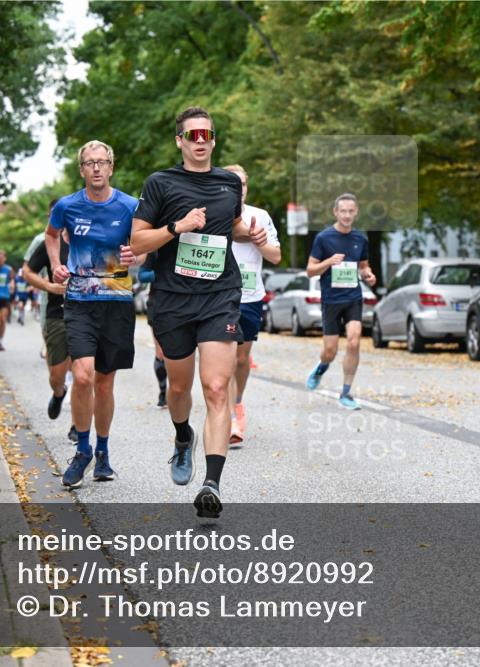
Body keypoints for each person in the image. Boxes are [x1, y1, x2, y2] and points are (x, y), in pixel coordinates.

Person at [130, 106, 267, 521]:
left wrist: (251, 233)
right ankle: (181, 436)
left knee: (216, 387)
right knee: (179, 390)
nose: (201, 139)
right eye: (192, 135)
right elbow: (137, 243)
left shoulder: (228, 182)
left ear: (213, 139)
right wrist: (178, 227)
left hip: (220, 295)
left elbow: (232, 226)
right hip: (172, 299)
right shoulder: (160, 183)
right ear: (180, 141)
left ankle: (212, 483)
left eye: (206, 133)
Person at [46, 140, 139, 488]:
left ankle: (103, 452)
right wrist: (56, 265)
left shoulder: (131, 205)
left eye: (102, 162)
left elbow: (143, 246)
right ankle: (82, 450)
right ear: (82, 170)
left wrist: (136, 258)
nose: (96, 168)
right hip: (80, 301)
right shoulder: (68, 206)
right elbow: (51, 235)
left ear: (111, 167)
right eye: (89, 163)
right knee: (82, 376)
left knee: (104, 382)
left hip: (116, 301)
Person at [223, 164, 281, 444]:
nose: (239, 189)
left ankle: (238, 401)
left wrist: (258, 240)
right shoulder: (214, 212)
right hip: (220, 296)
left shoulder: (260, 216)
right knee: (228, 357)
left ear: (247, 187)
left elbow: (276, 256)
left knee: (243, 358)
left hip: (250, 295)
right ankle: (230, 417)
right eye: (233, 183)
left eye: (243, 184)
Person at [305, 193, 376, 410]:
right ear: (335, 212)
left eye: (350, 211)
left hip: (353, 297)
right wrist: (328, 261)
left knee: (354, 341)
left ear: (356, 212)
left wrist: (368, 275)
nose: (346, 215)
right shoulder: (324, 238)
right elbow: (310, 271)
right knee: (331, 351)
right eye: (342, 211)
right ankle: (321, 367)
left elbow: (363, 266)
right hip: (331, 300)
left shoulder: (360, 239)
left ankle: (346, 393)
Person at [23, 216, 78, 445]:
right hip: (57, 314)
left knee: (83, 375)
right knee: (57, 376)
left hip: (87, 315)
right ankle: (58, 393)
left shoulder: (93, 240)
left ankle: (78, 426)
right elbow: (27, 271)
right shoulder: (50, 243)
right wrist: (49, 286)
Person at [137, 258, 169, 409]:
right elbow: (142, 275)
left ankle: (177, 390)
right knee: (161, 352)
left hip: (185, 305)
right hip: (158, 304)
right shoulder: (156, 248)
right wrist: (162, 273)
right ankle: (163, 391)